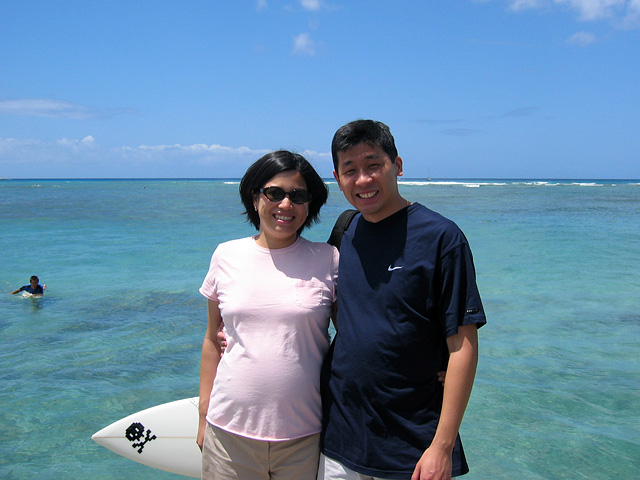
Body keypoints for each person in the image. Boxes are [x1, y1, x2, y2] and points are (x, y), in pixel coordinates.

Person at [319, 120, 486, 480]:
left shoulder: (442, 237)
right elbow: (329, 304)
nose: (363, 180)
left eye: (373, 165)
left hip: (412, 447)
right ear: (336, 177)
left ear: (397, 165)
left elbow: (463, 344)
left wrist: (441, 446)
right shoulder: (345, 231)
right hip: (339, 439)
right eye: (350, 170)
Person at [197, 150, 339, 480]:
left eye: (298, 195)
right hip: (228, 434)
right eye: (274, 193)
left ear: (309, 204)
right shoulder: (226, 255)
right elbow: (210, 340)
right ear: (255, 196)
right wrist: (203, 416)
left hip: (305, 435)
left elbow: (359, 332)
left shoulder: (328, 259)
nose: (285, 204)